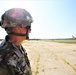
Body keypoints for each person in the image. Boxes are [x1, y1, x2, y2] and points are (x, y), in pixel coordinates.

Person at [0, 8, 33, 75]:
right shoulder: (5, 58)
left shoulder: (17, 46)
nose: (30, 30)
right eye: (28, 26)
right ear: (19, 28)